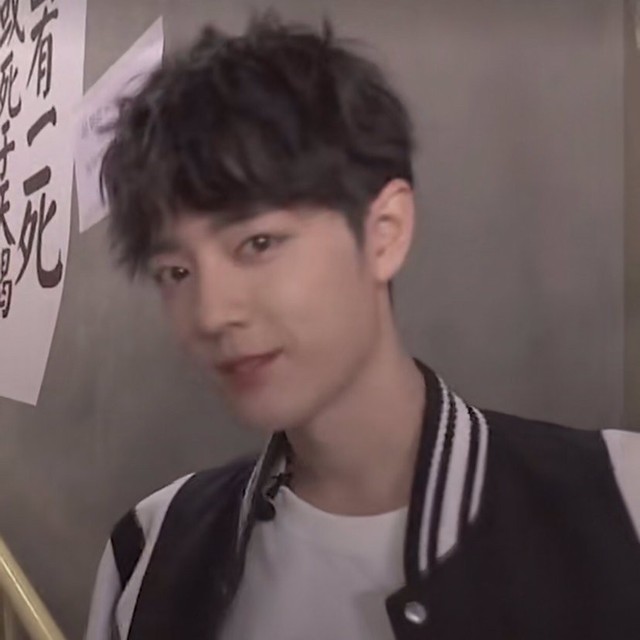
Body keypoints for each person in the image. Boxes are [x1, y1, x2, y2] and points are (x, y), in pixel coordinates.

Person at [85, 13, 640, 640]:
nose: (213, 314)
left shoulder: (620, 500)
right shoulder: (153, 548)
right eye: (176, 272)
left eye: (258, 243)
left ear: (384, 233)